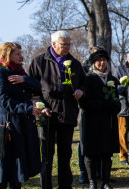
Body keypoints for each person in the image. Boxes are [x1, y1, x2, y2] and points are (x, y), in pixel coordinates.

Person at [28, 30, 87, 189]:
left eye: (69, 44)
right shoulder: (39, 62)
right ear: (53, 44)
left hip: (67, 113)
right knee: (47, 155)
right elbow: (32, 89)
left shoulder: (74, 63)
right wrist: (41, 106)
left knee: (65, 155)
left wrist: (81, 90)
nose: (67, 47)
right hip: (47, 114)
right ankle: (46, 186)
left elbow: (84, 82)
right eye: (63, 44)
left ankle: (65, 186)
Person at [0, 42, 43, 189]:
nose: (21, 56)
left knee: (18, 167)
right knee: (3, 167)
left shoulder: (21, 74)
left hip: (20, 126)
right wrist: (26, 109)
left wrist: (24, 80)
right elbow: (3, 101)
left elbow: (37, 87)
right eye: (17, 54)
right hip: (6, 126)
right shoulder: (1, 75)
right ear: (7, 55)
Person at [80, 49, 121, 189]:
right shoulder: (88, 79)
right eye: (99, 60)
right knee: (91, 152)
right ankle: (92, 182)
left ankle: (105, 182)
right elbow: (84, 102)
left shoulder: (112, 80)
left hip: (108, 121)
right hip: (92, 121)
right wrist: (103, 104)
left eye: (104, 60)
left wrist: (115, 106)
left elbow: (117, 100)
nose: (102, 63)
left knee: (107, 152)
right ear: (93, 62)